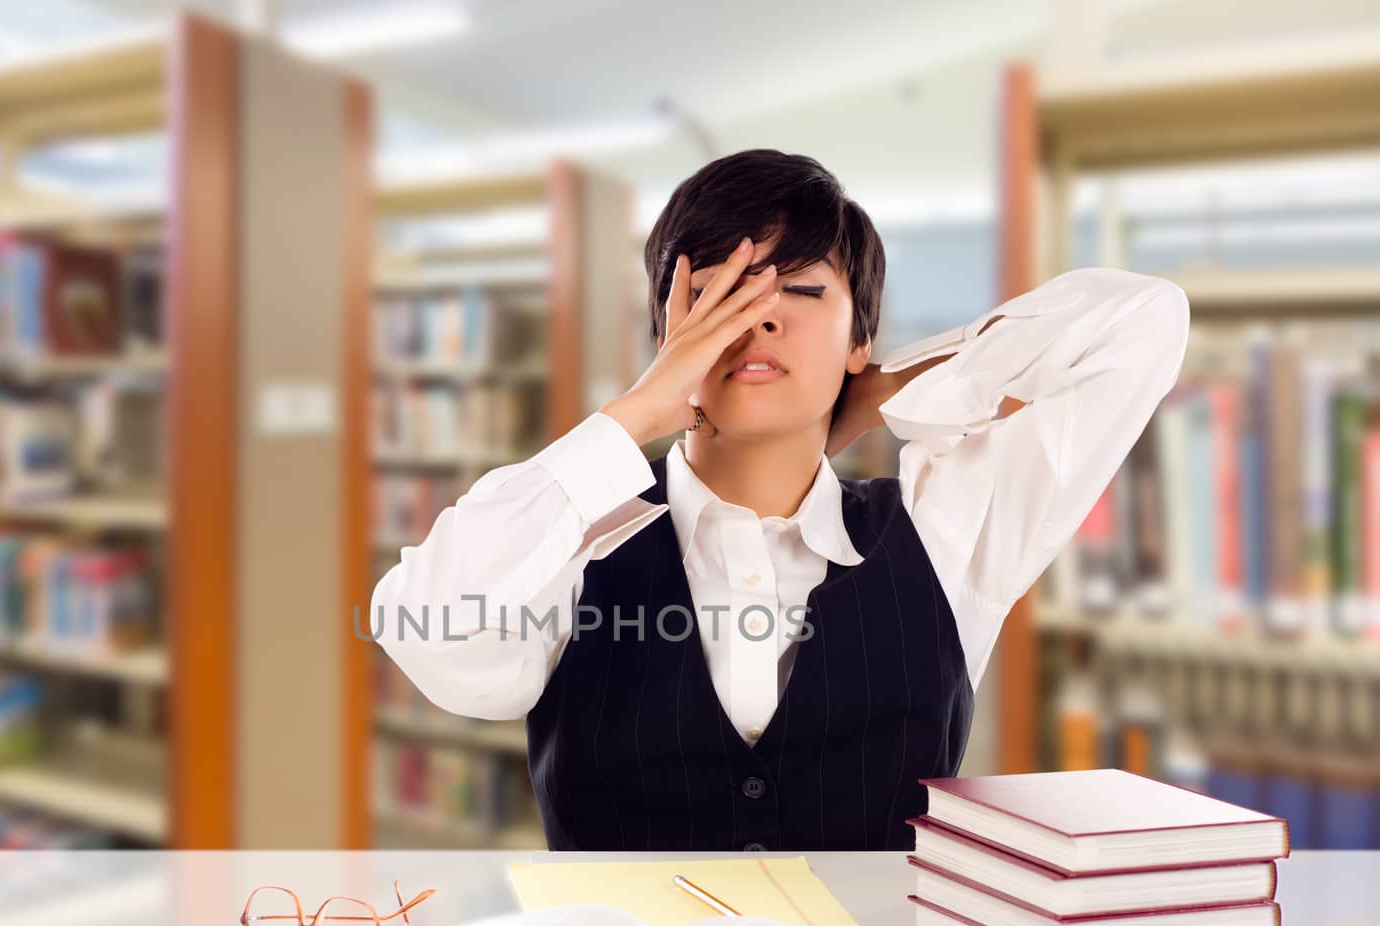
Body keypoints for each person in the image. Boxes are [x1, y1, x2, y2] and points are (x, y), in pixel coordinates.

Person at [367, 148, 1190, 851]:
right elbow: (428, 631)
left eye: (799, 292)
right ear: (667, 335)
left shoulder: (944, 536)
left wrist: (886, 389)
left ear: (859, 335)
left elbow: (1144, 321)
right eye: (718, 296)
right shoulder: (578, 548)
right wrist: (628, 423)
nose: (756, 321)